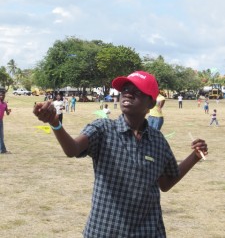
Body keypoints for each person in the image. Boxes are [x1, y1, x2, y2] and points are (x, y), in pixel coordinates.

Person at [33, 70, 208, 238]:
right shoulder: (102, 129)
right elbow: (72, 149)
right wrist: (55, 123)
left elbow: (166, 183)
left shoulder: (158, 140)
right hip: (105, 230)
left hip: (147, 231)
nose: (128, 94)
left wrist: (194, 157)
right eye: (125, 89)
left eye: (137, 91)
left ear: (151, 104)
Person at [0, 90, 11, 154]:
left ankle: (2, 149)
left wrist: (9, 111)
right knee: (1, 136)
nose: (2, 96)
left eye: (3, 95)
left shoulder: (5, 104)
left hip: (0, 121)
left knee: (1, 136)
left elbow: (7, 113)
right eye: (0, 95)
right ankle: (3, 150)